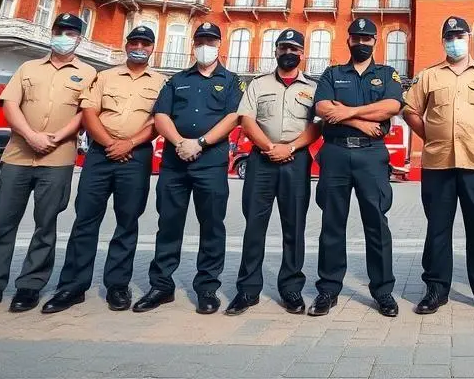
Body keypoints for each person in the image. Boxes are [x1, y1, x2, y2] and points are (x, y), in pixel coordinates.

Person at [0, 13, 97, 315]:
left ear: (79, 39)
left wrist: (57, 137)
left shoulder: (88, 74)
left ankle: (30, 286)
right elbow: (10, 104)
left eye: (71, 33)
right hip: (18, 155)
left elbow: (85, 113)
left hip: (57, 158)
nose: (64, 37)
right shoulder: (28, 67)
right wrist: (30, 135)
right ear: (52, 32)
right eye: (60, 31)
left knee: (45, 226)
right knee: (3, 223)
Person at [41, 26, 164, 314]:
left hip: (136, 156)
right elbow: (89, 113)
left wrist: (129, 143)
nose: (139, 47)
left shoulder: (161, 82)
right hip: (100, 155)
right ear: (126, 45)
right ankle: (72, 285)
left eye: (145, 43)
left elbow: (158, 121)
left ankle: (118, 286)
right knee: (85, 220)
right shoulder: (104, 76)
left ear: (152, 48)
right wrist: (111, 143)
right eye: (134, 41)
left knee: (127, 222)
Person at [404, 16, 474, 317]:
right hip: (438, 164)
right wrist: (431, 136)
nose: (454, 40)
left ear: (469, 38)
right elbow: (410, 110)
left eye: (459, 35)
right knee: (438, 228)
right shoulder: (428, 76)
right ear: (443, 41)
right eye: (449, 36)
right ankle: (436, 289)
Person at [133, 22, 243, 315]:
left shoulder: (231, 81)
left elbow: (233, 117)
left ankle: (207, 288)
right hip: (175, 162)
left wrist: (201, 142)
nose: (205, 46)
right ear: (193, 45)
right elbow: (161, 116)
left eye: (211, 40)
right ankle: (161, 286)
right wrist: (181, 142)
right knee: (168, 225)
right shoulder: (176, 80)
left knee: (212, 227)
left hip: (211, 163)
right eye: (200, 41)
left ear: (219, 44)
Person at [311, 17, 403, 317]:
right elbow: (323, 108)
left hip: (371, 156)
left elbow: (392, 106)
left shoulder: (387, 74)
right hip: (336, 153)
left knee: (377, 224)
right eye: (356, 38)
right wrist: (361, 121)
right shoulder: (332, 73)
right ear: (348, 40)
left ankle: (383, 291)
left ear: (374, 41)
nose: (361, 43)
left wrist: (347, 112)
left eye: (367, 39)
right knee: (332, 225)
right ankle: (328, 290)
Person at [226, 29, 322, 316]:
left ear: (302, 54)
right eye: (283, 47)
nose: (288, 53)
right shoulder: (257, 84)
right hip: (262, 160)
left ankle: (291, 288)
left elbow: (317, 126)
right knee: (254, 226)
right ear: (276, 51)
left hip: (296, 160)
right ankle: (247, 290)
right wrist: (269, 147)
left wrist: (289, 148)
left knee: (294, 227)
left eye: (294, 48)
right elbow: (246, 120)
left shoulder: (314, 89)